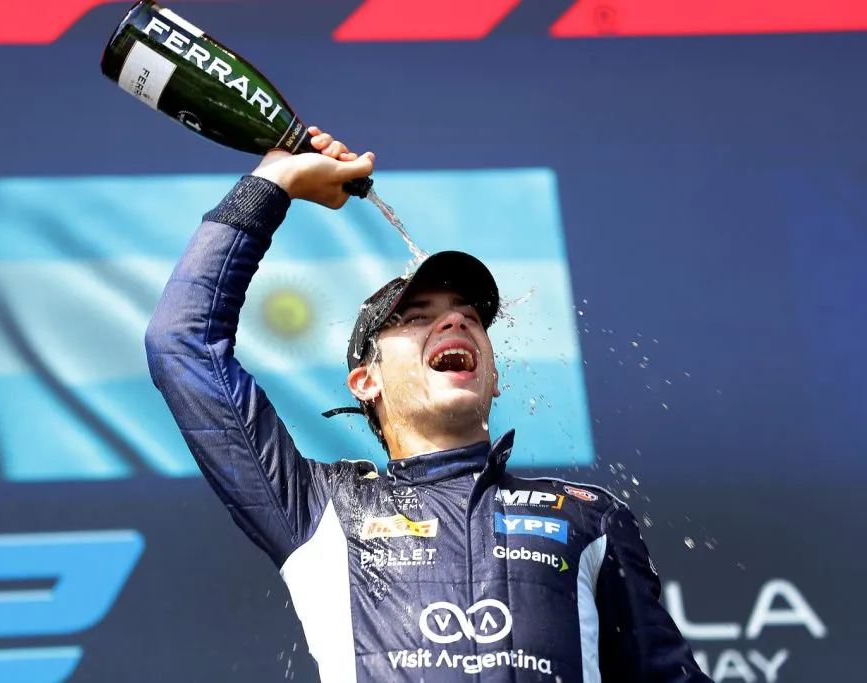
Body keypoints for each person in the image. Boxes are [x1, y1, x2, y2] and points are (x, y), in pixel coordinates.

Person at [145, 128, 711, 682]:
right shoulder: (320, 507)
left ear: (494, 378)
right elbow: (183, 344)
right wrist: (275, 181)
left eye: (469, 315)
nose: (456, 320)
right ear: (366, 381)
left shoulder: (589, 516)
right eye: (416, 317)